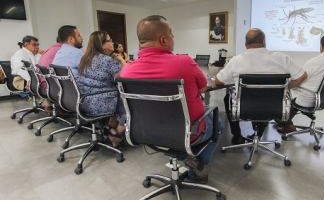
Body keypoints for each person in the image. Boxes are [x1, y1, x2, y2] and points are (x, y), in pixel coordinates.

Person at [120, 15, 223, 184]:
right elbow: (203, 88)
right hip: (187, 133)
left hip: (145, 132)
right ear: (163, 39)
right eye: (171, 33)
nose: (173, 37)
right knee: (217, 122)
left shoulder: (126, 72)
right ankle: (196, 167)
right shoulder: (184, 62)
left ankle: (191, 160)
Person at [215, 28, 307, 144]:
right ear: (264, 42)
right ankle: (259, 135)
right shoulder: (282, 58)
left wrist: (226, 70)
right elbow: (303, 76)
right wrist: (286, 88)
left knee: (228, 98)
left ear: (245, 44)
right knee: (266, 97)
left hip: (245, 107)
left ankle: (237, 135)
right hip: (274, 107)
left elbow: (218, 82)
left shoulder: (236, 61)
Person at [277, 33, 324, 133]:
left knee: (278, 99)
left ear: (321, 47)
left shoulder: (316, 61)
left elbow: (299, 78)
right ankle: (285, 121)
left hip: (310, 99)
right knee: (293, 96)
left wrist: (285, 88)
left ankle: (287, 125)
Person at [77, 31, 127, 149]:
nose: (112, 43)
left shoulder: (85, 59)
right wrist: (120, 59)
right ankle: (115, 134)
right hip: (102, 103)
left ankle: (109, 128)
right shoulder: (107, 61)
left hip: (84, 102)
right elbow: (126, 76)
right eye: (109, 41)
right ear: (101, 44)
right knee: (131, 103)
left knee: (118, 96)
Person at [37, 37, 62, 113]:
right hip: (50, 87)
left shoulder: (50, 49)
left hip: (43, 85)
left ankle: (62, 108)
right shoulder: (61, 51)